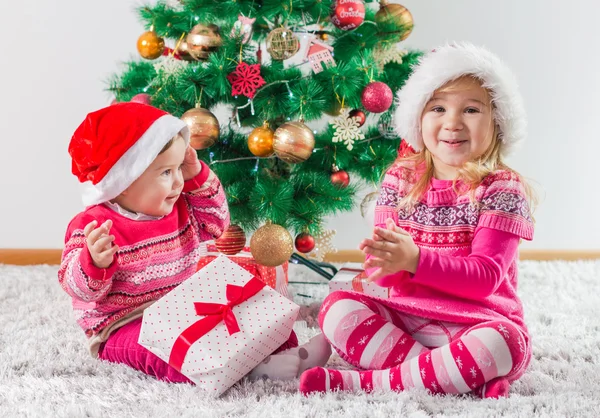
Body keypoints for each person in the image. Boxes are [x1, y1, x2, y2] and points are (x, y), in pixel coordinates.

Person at [300, 42, 536, 399]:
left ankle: (365, 384)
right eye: (438, 107)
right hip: (409, 320)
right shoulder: (399, 180)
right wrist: (387, 264)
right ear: (418, 119)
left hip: (477, 323)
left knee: (504, 344)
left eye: (471, 109)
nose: (452, 122)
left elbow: (486, 279)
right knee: (336, 309)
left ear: (497, 123)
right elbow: (386, 276)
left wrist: (415, 260)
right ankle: (452, 376)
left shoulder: (502, 187)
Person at [58, 102, 330, 384]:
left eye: (178, 169)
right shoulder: (93, 227)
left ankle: (291, 350)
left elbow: (217, 224)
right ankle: (254, 370)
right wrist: (94, 263)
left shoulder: (180, 207)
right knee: (168, 355)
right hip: (121, 325)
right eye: (166, 172)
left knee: (246, 314)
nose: (178, 182)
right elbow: (78, 289)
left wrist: (196, 173)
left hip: (179, 306)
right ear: (125, 180)